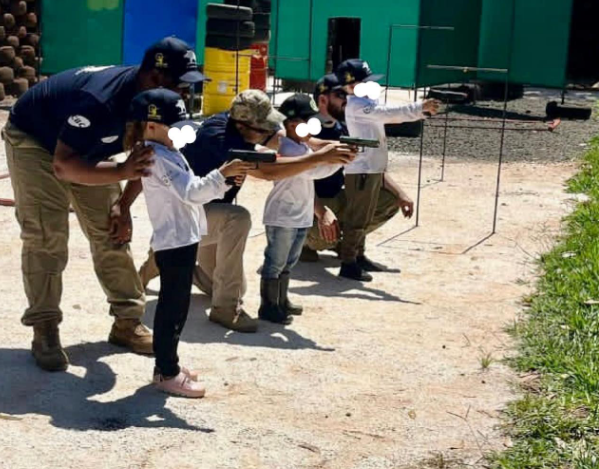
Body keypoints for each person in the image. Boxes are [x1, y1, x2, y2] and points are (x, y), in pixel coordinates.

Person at [3, 35, 206, 372]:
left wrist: (123, 206)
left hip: (89, 148)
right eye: (181, 84)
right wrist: (123, 169)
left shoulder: (155, 101)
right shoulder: (100, 100)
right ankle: (45, 328)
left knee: (112, 231)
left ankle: (127, 323)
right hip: (36, 141)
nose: (185, 93)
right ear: (155, 77)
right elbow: (64, 166)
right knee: (46, 236)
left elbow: (147, 156)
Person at [131, 90, 356, 332]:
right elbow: (269, 171)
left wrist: (335, 148)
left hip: (206, 213)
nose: (268, 133)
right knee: (238, 219)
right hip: (189, 214)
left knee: (221, 284)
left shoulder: (239, 123)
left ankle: (163, 261)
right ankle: (225, 308)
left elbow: (287, 141)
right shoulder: (220, 139)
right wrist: (318, 159)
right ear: (242, 124)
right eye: (263, 129)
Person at [125, 89, 251, 397]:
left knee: (178, 306)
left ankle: (169, 365)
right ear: (151, 125)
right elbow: (192, 192)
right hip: (174, 243)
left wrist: (222, 182)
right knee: (172, 309)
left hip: (184, 237)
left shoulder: (167, 150)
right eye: (173, 124)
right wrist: (223, 174)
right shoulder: (156, 156)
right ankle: (166, 371)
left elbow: (192, 190)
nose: (180, 131)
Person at [333, 59, 440, 282]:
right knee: (358, 217)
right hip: (362, 169)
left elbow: (386, 112)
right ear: (351, 85)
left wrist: (419, 110)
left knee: (365, 214)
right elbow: (388, 113)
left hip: (370, 167)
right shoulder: (357, 105)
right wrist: (419, 108)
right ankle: (348, 262)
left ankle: (358, 256)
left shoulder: (363, 102)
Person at [302, 73, 416, 262]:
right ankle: (305, 243)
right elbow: (295, 179)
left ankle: (347, 244)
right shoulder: (303, 131)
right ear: (323, 99)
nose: (348, 100)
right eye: (341, 95)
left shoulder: (347, 127)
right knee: (327, 219)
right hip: (309, 205)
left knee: (386, 199)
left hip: (337, 198)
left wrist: (400, 194)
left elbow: (368, 167)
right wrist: (321, 212)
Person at [259, 94, 346, 324]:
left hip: (299, 214)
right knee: (275, 262)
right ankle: (269, 305)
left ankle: (281, 300)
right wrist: (339, 162)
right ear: (292, 125)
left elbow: (314, 168)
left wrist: (338, 158)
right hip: (283, 216)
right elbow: (312, 172)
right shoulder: (290, 150)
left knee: (289, 262)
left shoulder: (302, 146)